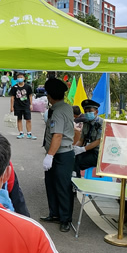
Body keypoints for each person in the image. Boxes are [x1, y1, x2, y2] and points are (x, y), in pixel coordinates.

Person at [41, 78, 76, 233]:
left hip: (61, 154)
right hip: (58, 153)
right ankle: (54, 213)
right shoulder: (64, 107)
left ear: (50, 95)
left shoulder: (58, 112)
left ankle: (65, 219)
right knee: (51, 184)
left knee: (62, 187)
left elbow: (58, 136)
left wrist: (50, 156)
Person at [73, 99, 104, 177]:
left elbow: (98, 141)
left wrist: (83, 149)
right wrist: (75, 148)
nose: (87, 113)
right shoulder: (86, 123)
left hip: (98, 153)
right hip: (88, 150)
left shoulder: (102, 123)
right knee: (71, 157)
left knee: (77, 161)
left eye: (90, 111)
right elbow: (81, 139)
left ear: (96, 112)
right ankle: (74, 179)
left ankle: (77, 179)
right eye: (86, 112)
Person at [9, 72, 35, 139]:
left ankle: (29, 133)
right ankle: (21, 132)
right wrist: (11, 107)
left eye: (21, 77)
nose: (20, 78)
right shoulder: (14, 87)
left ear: (24, 78)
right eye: (18, 77)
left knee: (28, 119)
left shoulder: (28, 87)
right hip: (17, 106)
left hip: (26, 105)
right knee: (19, 119)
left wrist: (31, 104)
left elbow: (30, 96)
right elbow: (12, 97)